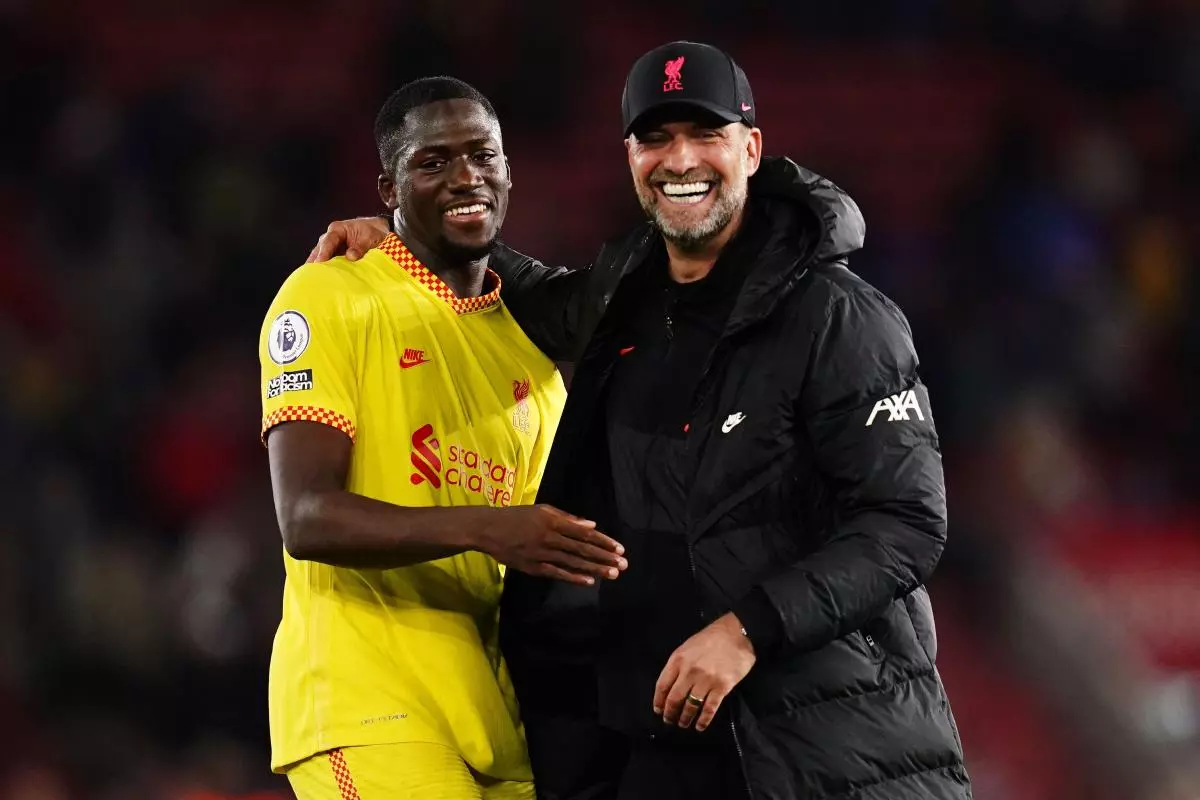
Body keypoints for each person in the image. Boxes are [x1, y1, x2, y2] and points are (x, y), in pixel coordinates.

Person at [312, 42, 972, 800]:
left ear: (751, 149)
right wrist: (400, 230)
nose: (679, 159)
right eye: (656, 138)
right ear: (629, 156)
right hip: (666, 751)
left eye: (706, 134)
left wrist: (746, 630)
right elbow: (517, 281)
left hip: (829, 751)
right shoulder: (618, 308)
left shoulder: (840, 319)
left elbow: (906, 523)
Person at [260, 76, 627, 800]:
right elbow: (305, 517)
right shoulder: (332, 293)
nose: (466, 176)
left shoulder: (532, 358)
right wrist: (491, 529)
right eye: (433, 162)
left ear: (508, 172)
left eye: (482, 155)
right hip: (368, 707)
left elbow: (535, 555)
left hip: (497, 730)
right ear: (387, 187)